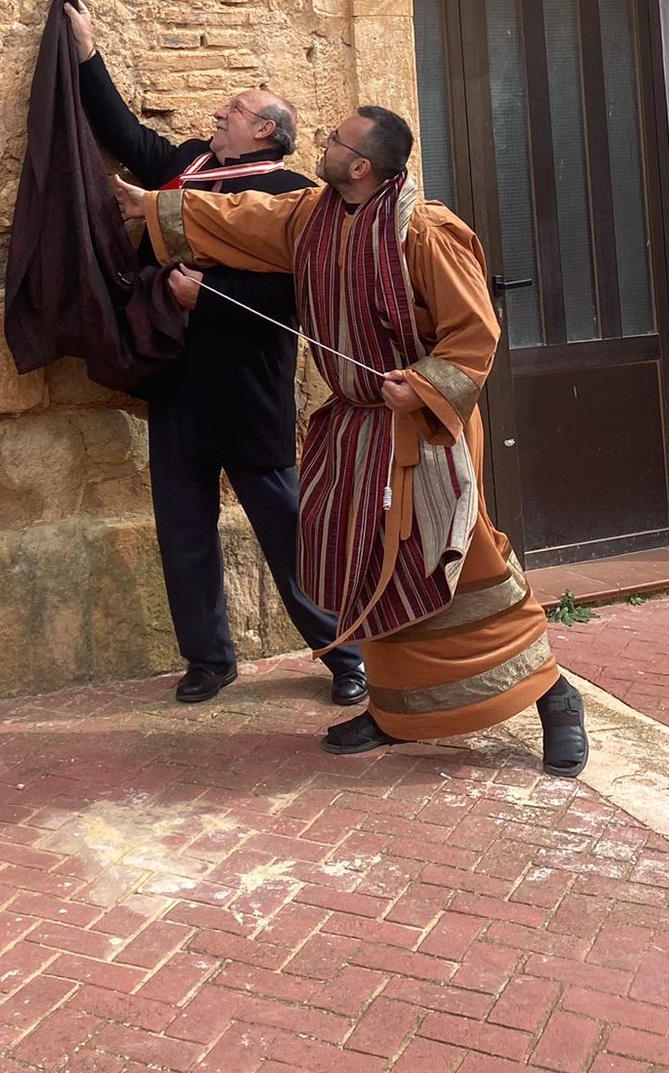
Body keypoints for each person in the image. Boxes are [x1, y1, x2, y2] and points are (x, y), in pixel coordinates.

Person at [114, 106, 589, 777]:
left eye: (335, 140)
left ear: (360, 165)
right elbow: (242, 217)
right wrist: (154, 207)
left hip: (424, 431)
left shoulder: (424, 232)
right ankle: (396, 709)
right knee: (376, 573)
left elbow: (473, 332)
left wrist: (423, 385)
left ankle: (553, 696)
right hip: (357, 429)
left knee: (466, 568)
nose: (323, 144)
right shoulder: (309, 216)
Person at [65, 0, 367, 709]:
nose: (217, 115)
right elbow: (120, 133)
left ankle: (344, 653)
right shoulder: (188, 166)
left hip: (247, 385)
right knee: (182, 526)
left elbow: (296, 294)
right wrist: (85, 51)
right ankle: (207, 657)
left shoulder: (291, 195)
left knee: (286, 528)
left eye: (232, 109)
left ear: (264, 129)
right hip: (175, 380)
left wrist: (213, 296)